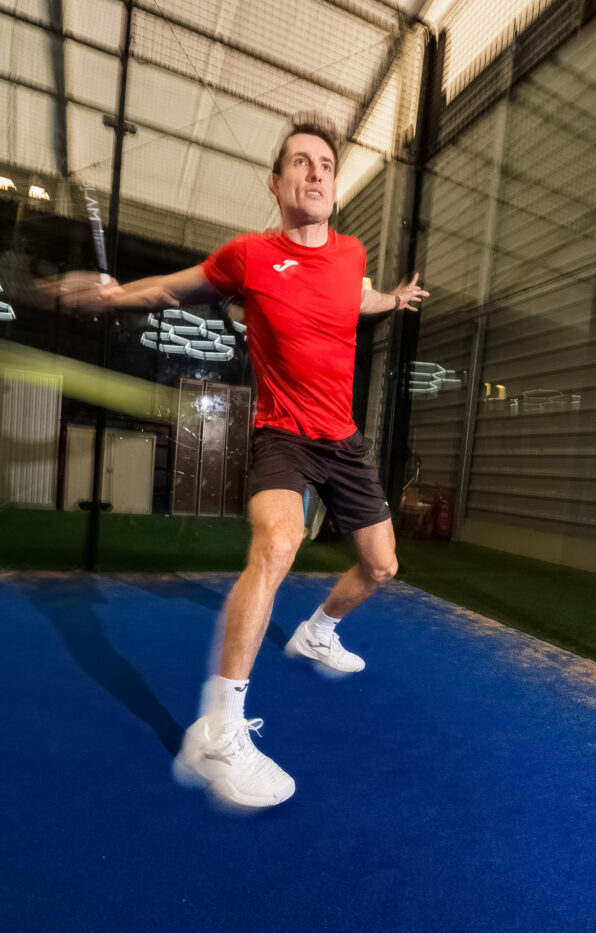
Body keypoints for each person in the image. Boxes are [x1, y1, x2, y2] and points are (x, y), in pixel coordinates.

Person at [45, 115, 429, 809]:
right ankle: (219, 730)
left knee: (381, 567)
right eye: (301, 162)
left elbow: (357, 297)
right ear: (276, 183)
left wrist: (393, 300)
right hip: (282, 435)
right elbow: (172, 288)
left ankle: (317, 633)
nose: (315, 173)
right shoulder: (250, 257)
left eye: (325, 165)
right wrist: (114, 294)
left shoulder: (350, 253)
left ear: (334, 187)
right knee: (279, 541)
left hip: (343, 440)